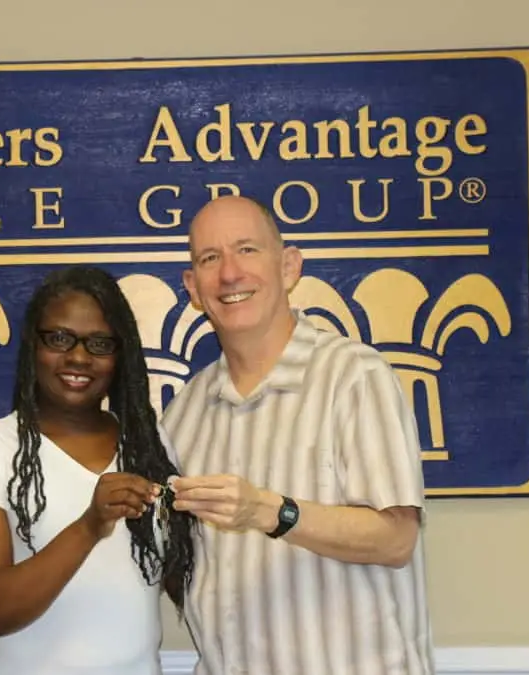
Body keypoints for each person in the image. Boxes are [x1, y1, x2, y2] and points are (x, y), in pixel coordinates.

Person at [163, 195, 435, 675]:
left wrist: (271, 512)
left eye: (247, 250)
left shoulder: (353, 375)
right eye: (210, 258)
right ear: (192, 287)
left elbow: (396, 540)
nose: (229, 274)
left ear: (288, 266)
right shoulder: (183, 415)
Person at [0, 265, 197, 675]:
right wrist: (89, 526)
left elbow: (185, 583)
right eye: (59, 338)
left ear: (120, 355)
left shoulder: (151, 447)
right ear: (33, 345)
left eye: (99, 343)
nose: (78, 357)